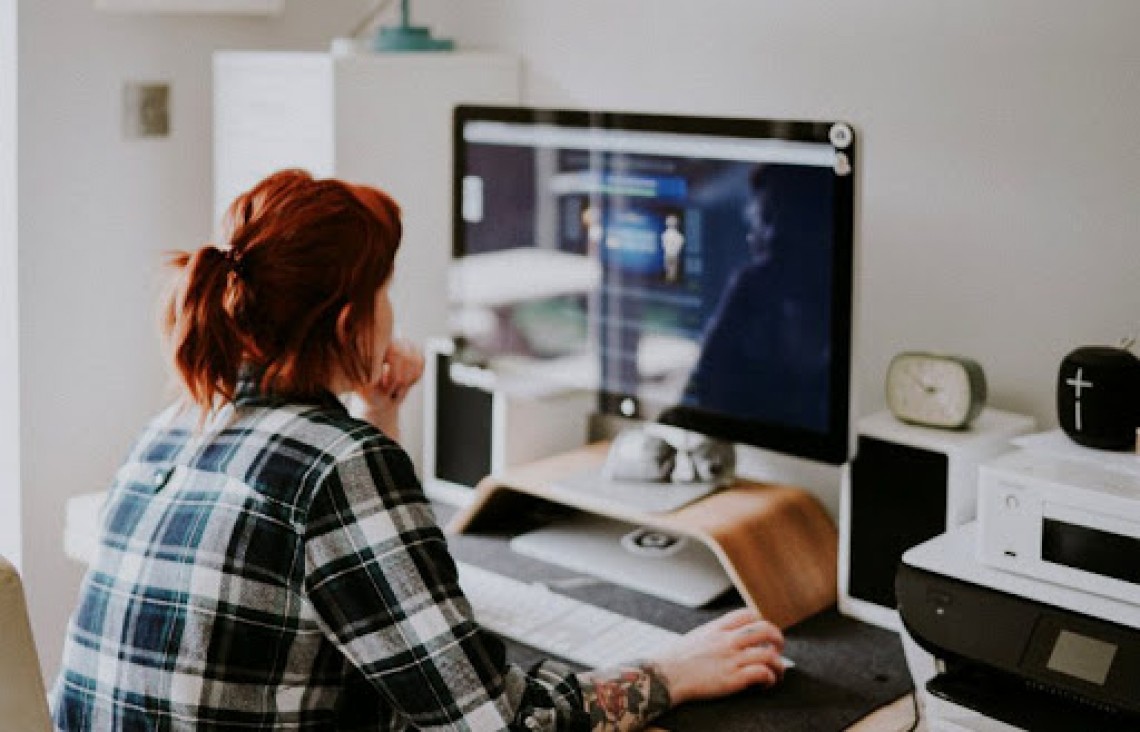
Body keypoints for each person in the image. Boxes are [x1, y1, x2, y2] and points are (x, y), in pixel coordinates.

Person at [51, 169, 786, 732]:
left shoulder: (177, 422)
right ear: (350, 321)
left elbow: (366, 595)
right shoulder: (337, 464)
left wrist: (376, 416)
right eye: (386, 290)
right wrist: (673, 671)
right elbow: (493, 722)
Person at [673, 164, 834, 434]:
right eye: (762, 220)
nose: (766, 237)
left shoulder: (844, 309)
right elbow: (700, 393)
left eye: (779, 219)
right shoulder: (750, 292)